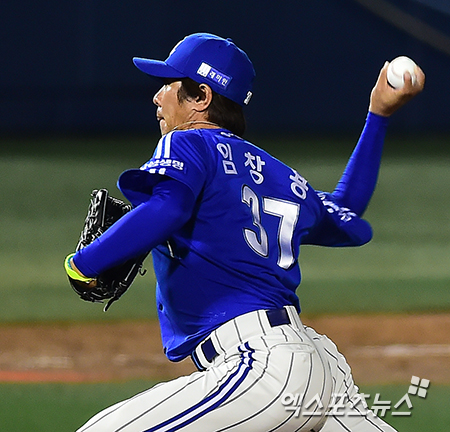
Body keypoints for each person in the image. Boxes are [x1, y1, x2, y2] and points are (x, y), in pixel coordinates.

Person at [65, 33, 425, 431]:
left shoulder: (188, 142)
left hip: (262, 368)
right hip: (318, 367)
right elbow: (347, 208)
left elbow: (169, 206)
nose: (157, 97)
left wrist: (84, 263)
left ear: (201, 97)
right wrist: (378, 115)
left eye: (168, 83)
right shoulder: (282, 176)